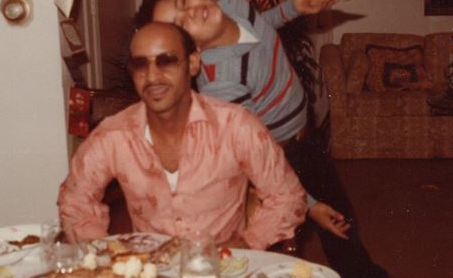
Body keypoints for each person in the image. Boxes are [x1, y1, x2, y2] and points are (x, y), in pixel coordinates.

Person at [143, 0, 415, 278]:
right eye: (181, 23)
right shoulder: (223, 84)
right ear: (194, 50)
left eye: (183, 2)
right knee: (332, 217)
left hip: (303, 131)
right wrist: (307, 203)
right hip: (281, 154)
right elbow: (254, 156)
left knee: (337, 212)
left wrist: (294, 7)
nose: (190, 10)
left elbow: (261, 24)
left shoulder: (232, 4)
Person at [58, 22, 307, 250]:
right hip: (151, 274)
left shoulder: (235, 126)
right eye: (141, 64)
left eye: (166, 61)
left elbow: (288, 196)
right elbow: (74, 202)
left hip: (223, 270)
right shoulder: (113, 136)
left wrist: (247, 243)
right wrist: (104, 254)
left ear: (193, 63)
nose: (152, 77)